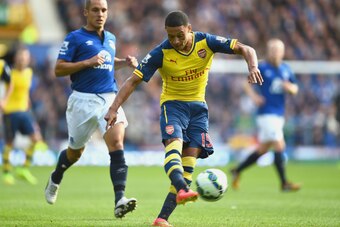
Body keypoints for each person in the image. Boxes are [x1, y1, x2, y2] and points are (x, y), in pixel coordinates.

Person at [105, 10, 263, 227]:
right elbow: (133, 81)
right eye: (171, 36)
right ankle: (182, 189)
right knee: (174, 149)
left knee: (188, 166)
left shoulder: (206, 42)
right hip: (173, 106)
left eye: (180, 35)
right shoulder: (161, 52)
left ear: (190, 29)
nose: (176, 41)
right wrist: (114, 108)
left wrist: (252, 66)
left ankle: (162, 219)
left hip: (198, 110)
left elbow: (246, 48)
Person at [44, 0, 138, 219]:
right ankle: (56, 176)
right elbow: (59, 69)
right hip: (81, 101)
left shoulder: (111, 38)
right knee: (75, 152)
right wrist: (87, 62)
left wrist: (124, 62)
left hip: (108, 98)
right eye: (95, 10)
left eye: (104, 10)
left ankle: (119, 200)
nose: (100, 14)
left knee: (116, 143)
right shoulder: (74, 38)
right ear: (86, 12)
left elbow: (106, 62)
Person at [230, 38, 301, 192]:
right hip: (266, 114)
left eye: (278, 50)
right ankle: (284, 183)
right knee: (279, 144)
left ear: (282, 52)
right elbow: (245, 83)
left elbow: (295, 88)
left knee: (263, 149)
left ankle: (237, 170)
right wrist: (254, 97)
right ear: (268, 51)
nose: (275, 53)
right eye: (272, 50)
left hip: (279, 114)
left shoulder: (286, 69)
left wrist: (289, 87)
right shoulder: (262, 67)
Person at [1, 47, 47, 185]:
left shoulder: (29, 73)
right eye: (20, 57)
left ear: (28, 59)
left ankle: (24, 169)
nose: (23, 60)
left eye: (25, 57)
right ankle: (7, 172)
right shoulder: (9, 73)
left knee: (36, 139)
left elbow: (26, 93)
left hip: (24, 111)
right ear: (16, 58)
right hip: (10, 111)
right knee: (10, 142)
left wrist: (30, 110)